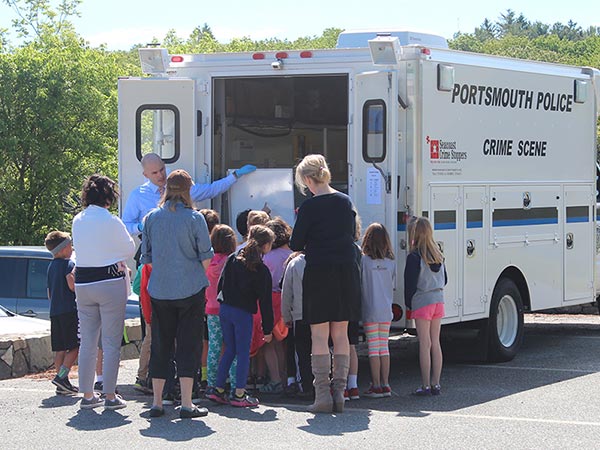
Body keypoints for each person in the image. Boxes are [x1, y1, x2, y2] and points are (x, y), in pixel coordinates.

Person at [289, 154, 361, 414]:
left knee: (319, 336)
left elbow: (296, 243)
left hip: (319, 272)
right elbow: (352, 234)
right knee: (340, 334)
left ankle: (322, 396)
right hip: (345, 271)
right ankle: (340, 394)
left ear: (308, 179)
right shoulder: (345, 201)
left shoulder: (309, 207)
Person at [141, 170, 214, 419]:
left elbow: (146, 259)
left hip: (160, 290)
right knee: (189, 345)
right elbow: (206, 256)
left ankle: (157, 402)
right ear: (187, 190)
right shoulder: (195, 218)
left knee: (161, 344)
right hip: (190, 289)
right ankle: (186, 403)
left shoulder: (151, 218)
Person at [72, 175, 135, 410]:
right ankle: (109, 395)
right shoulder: (111, 221)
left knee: (87, 341)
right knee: (110, 342)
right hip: (109, 282)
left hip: (83, 284)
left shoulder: (78, 220)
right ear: (109, 197)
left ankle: (87, 395)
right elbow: (129, 248)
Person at [207, 225, 274, 408]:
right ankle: (239, 393)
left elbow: (221, 285)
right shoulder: (261, 269)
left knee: (230, 349)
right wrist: (268, 329)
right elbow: (265, 303)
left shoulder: (232, 259)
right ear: (266, 245)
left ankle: (218, 389)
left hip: (225, 309)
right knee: (243, 352)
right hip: (243, 313)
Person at [122, 152, 256, 235]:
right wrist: (140, 227)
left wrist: (235, 175)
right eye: (155, 173)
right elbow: (126, 226)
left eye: (162, 169)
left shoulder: (180, 187)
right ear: (145, 174)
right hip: (152, 252)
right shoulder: (138, 195)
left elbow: (211, 190)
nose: (161, 175)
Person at [404, 216, 447, 396]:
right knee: (435, 342)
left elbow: (410, 284)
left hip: (422, 302)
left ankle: (425, 385)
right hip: (438, 300)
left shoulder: (414, 257)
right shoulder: (439, 255)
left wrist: (409, 304)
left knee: (424, 343)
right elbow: (445, 279)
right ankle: (436, 383)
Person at [361, 223, 396, 398]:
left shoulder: (365, 261)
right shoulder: (391, 262)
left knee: (373, 348)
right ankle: (385, 384)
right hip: (386, 309)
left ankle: (375, 385)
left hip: (370, 309)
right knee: (384, 347)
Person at [259, 218, 293, 394]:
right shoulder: (293, 254)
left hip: (270, 301)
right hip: (288, 301)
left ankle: (275, 379)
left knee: (269, 342)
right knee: (284, 343)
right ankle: (286, 377)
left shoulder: (267, 257)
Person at [44, 231, 79, 395]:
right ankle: (62, 376)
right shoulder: (69, 265)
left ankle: (62, 384)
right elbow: (71, 285)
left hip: (55, 312)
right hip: (69, 311)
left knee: (60, 349)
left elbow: (49, 293)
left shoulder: (50, 267)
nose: (72, 249)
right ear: (63, 248)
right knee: (74, 347)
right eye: (70, 246)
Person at [205, 224, 238, 396]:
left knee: (214, 347)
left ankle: (211, 383)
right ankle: (234, 384)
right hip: (229, 308)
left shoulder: (208, 262)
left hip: (211, 309)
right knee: (232, 347)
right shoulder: (232, 261)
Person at [281, 251, 313, 399]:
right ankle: (323, 384)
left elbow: (286, 293)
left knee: (302, 352)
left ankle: (306, 386)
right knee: (323, 350)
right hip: (322, 315)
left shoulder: (294, 263)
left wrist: (286, 315)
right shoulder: (325, 259)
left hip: (300, 314)